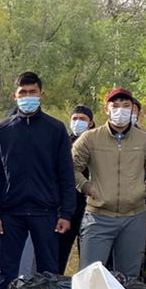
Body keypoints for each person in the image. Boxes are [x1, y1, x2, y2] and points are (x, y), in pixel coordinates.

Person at [0, 71, 73, 289]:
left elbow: (65, 172)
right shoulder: (2, 130)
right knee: (7, 271)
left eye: (32, 91)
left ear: (41, 94)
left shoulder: (55, 129)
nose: (28, 96)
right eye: (23, 92)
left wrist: (66, 213)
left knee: (48, 272)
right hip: (10, 212)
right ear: (14, 96)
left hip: (45, 211)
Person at [72, 87, 146, 275]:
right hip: (98, 216)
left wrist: (144, 189)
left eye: (126, 105)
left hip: (134, 216)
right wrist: (87, 187)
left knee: (129, 277)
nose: (120, 110)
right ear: (106, 109)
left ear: (132, 109)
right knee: (90, 275)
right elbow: (70, 168)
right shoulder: (90, 138)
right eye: (115, 105)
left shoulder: (145, 140)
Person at [59, 104, 95, 268]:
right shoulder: (62, 142)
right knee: (59, 251)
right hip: (66, 204)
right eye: (75, 119)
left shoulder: (96, 144)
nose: (78, 122)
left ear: (91, 122)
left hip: (90, 204)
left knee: (89, 256)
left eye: (82, 119)